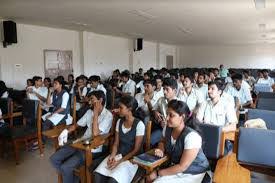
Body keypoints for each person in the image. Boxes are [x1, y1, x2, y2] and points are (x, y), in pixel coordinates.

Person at [50, 90, 113, 183]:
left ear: (100, 100)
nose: (89, 102)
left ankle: (69, 177)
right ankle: (74, 179)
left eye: (92, 99)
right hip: (81, 142)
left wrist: (95, 113)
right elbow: (77, 125)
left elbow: (95, 133)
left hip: (93, 148)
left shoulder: (108, 115)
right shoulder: (89, 112)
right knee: (54, 159)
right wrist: (66, 131)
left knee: (65, 167)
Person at [147, 100, 209, 183]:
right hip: (175, 168)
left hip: (194, 172)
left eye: (171, 115)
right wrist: (161, 148)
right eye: (167, 114)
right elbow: (162, 141)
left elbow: (182, 166)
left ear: (182, 117)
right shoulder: (167, 128)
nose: (167, 118)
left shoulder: (192, 137)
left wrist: (158, 173)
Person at [94, 95, 145, 183]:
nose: (118, 110)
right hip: (118, 155)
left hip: (131, 160)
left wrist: (119, 162)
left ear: (129, 109)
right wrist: (112, 156)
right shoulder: (119, 122)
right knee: (97, 175)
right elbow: (116, 144)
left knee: (112, 181)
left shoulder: (139, 124)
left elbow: (136, 150)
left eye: (121, 108)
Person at [151, 78, 178, 146]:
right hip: (162, 129)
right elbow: (154, 109)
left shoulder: (179, 103)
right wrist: (157, 114)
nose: (164, 92)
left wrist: (167, 123)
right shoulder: (161, 100)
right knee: (149, 142)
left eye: (167, 89)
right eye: (163, 89)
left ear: (174, 91)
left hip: (174, 130)